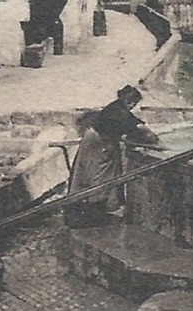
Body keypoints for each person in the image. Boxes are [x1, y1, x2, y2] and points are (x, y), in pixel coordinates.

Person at [64, 85, 156, 228]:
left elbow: (131, 123)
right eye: (134, 104)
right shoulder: (118, 112)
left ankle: (94, 205)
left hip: (97, 141)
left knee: (91, 175)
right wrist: (155, 140)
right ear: (130, 102)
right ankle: (93, 209)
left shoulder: (116, 107)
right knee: (97, 175)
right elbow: (137, 128)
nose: (133, 106)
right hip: (99, 144)